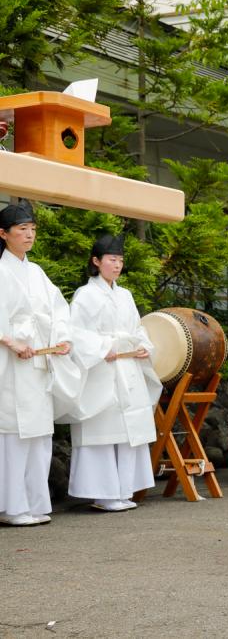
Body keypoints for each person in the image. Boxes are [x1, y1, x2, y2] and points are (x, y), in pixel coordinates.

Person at [67, 234, 161, 511]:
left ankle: (123, 490)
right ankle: (103, 494)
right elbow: (75, 332)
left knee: (127, 428)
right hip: (103, 366)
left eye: (120, 260)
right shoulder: (85, 295)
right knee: (104, 429)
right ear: (96, 262)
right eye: (111, 260)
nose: (117, 265)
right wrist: (100, 347)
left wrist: (144, 346)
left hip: (127, 365)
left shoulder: (125, 294)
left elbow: (136, 328)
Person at [0, 201, 74, 526]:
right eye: (22, 230)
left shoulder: (36, 272)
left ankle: (34, 502)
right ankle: (12, 507)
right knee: (15, 435)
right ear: (3, 234)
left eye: (32, 229)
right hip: (12, 364)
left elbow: (58, 309)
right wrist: (9, 340)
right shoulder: (2, 271)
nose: (29, 235)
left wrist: (62, 338)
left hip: (38, 361)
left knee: (40, 435)